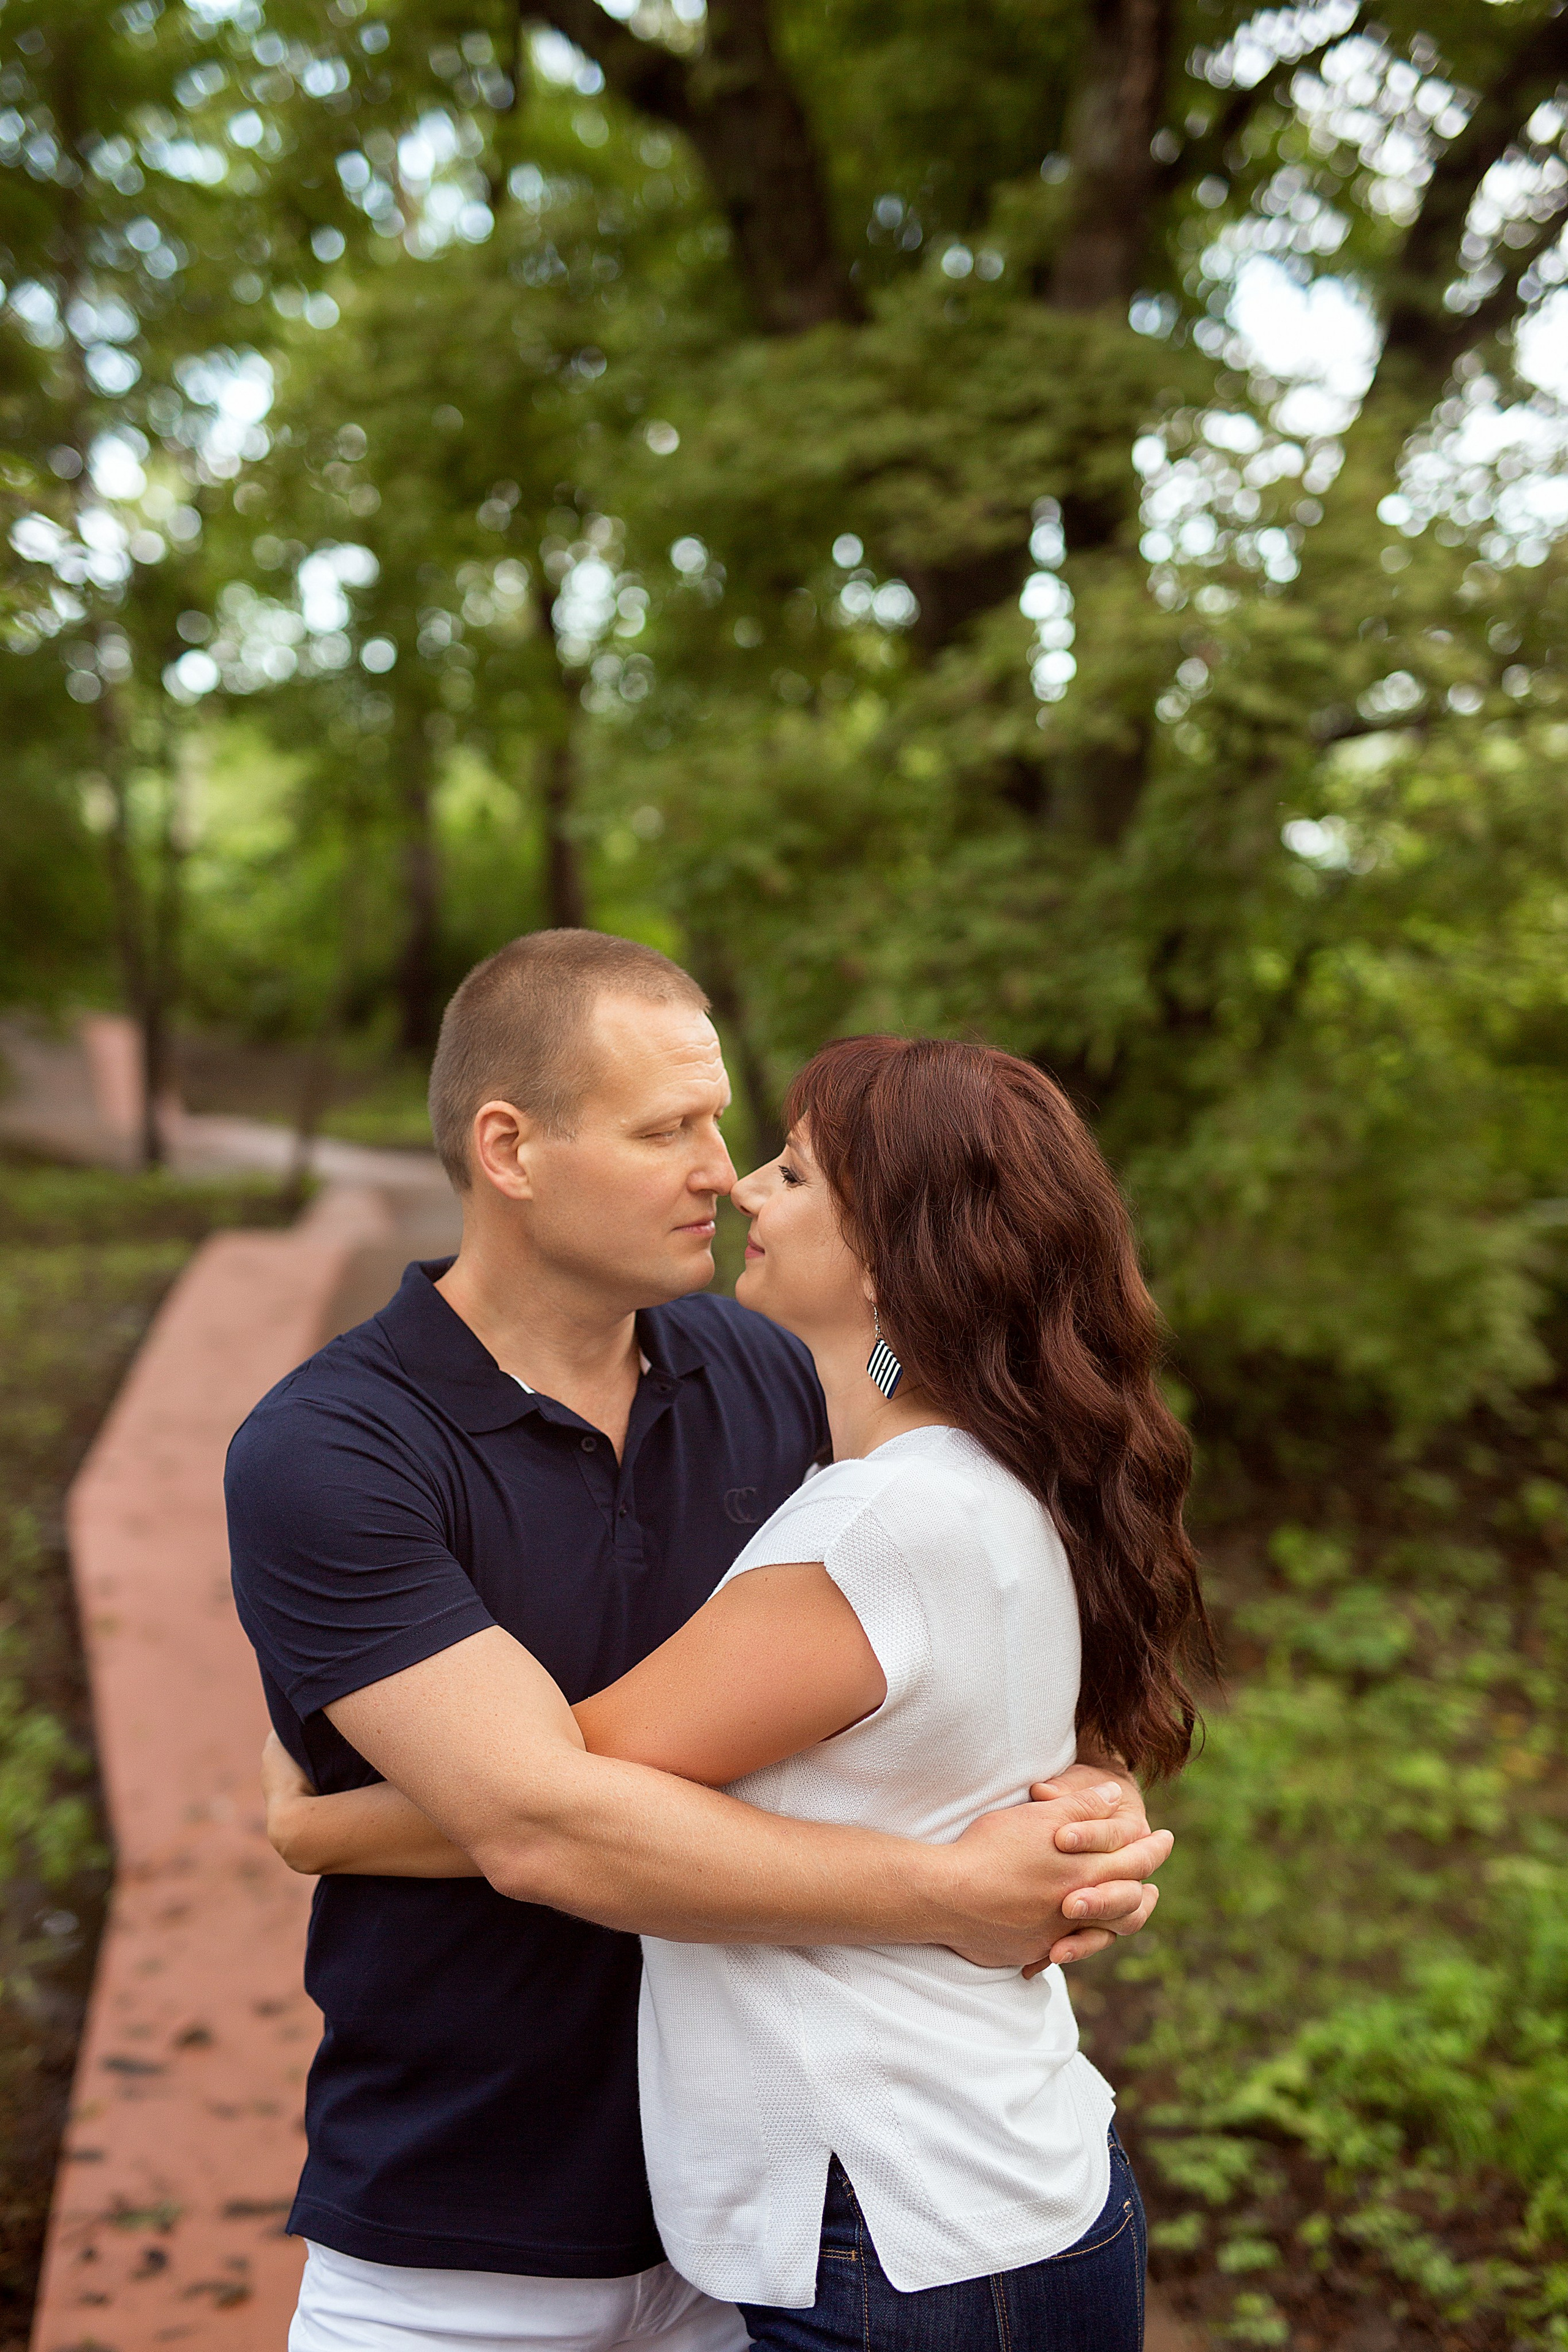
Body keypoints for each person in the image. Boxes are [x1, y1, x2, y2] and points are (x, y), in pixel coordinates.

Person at [230, 930, 1173, 2352]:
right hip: (467, 2224)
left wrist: (1079, 1804)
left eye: (729, 1127)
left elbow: (941, 1616)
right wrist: (952, 1888)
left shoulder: (766, 1366)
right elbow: (544, 1821)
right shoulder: (332, 1449)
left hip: (770, 2222)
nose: (722, 1171)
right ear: (510, 1148)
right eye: (667, 1127)